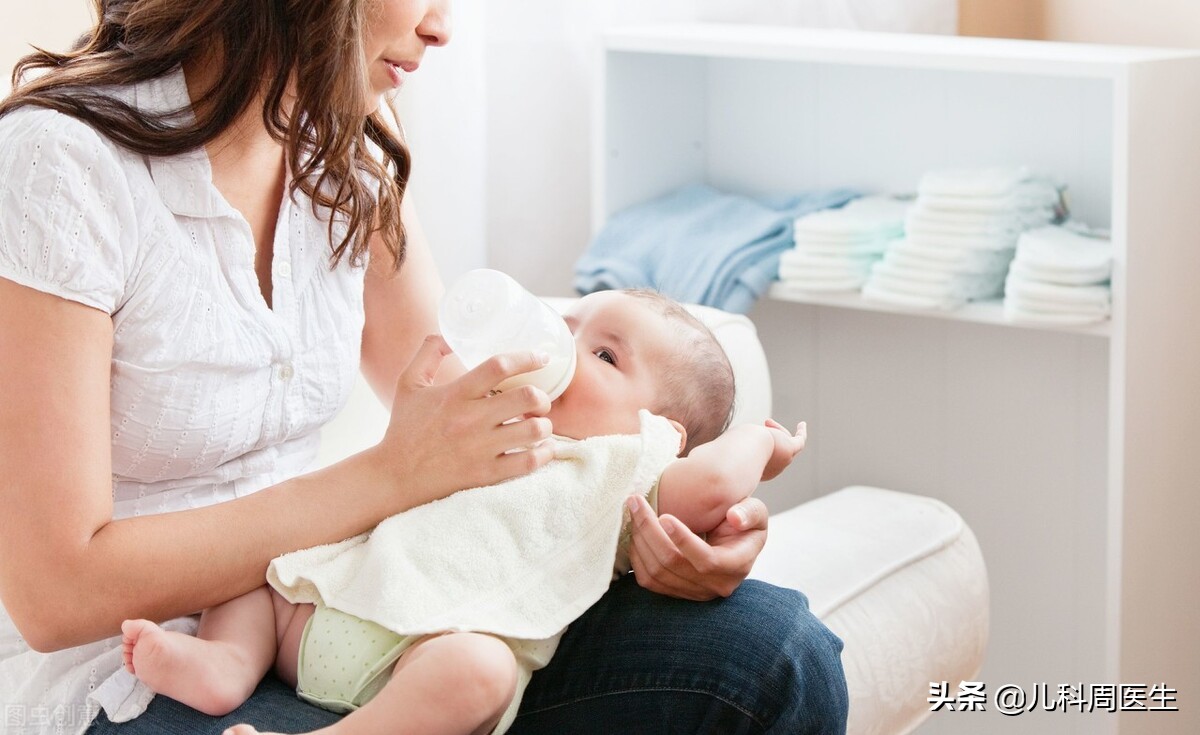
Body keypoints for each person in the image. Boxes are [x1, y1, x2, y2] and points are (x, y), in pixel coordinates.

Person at [0, 2, 849, 734]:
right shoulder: (62, 164)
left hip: (353, 603)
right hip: (127, 666)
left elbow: (480, 413)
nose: (441, 27)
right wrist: (389, 475)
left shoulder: (342, 148)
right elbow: (55, 592)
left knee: (778, 659)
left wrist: (676, 512)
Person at [118, 287, 809, 735]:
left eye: (601, 354)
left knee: (480, 673)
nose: (564, 349)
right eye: (570, 324)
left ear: (661, 433)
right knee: (254, 561)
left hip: (413, 658)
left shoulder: (621, 468)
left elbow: (714, 485)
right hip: (320, 604)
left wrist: (760, 442)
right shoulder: (496, 418)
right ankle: (226, 661)